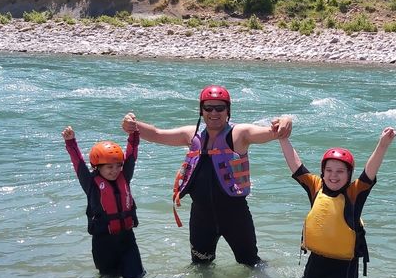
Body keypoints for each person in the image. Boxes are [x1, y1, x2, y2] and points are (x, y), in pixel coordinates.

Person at [121, 85, 292, 267]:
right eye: (208, 108)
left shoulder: (240, 134)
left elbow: (270, 133)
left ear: (228, 111)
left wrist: (285, 120)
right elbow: (156, 134)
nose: (214, 113)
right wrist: (133, 126)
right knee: (200, 267)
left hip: (235, 216)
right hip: (201, 218)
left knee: (251, 264)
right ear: (201, 111)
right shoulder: (192, 135)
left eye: (220, 108)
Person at [278, 127, 396, 278]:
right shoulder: (315, 187)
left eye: (340, 171)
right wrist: (283, 139)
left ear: (349, 174)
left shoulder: (354, 193)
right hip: (317, 261)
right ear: (323, 172)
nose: (334, 176)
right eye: (329, 171)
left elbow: (369, 172)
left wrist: (383, 144)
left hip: (345, 268)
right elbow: (296, 166)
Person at [62, 125, 146, 278]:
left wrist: (133, 134)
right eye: (109, 167)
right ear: (97, 167)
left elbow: (132, 155)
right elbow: (78, 163)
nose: (115, 170)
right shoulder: (90, 183)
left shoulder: (124, 176)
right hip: (103, 243)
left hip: (127, 239)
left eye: (118, 166)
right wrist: (71, 142)